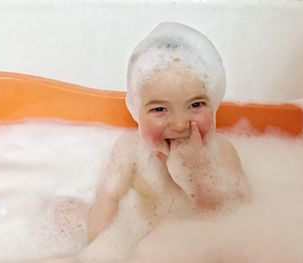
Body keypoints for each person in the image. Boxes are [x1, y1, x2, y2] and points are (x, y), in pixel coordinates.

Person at [86, 21, 250, 251]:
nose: (180, 124)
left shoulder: (222, 152)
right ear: (136, 110)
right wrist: (95, 250)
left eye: (195, 104)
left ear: (214, 103)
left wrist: (200, 177)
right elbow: (106, 203)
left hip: (200, 248)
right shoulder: (129, 149)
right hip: (142, 244)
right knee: (62, 211)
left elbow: (240, 221)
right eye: (159, 109)